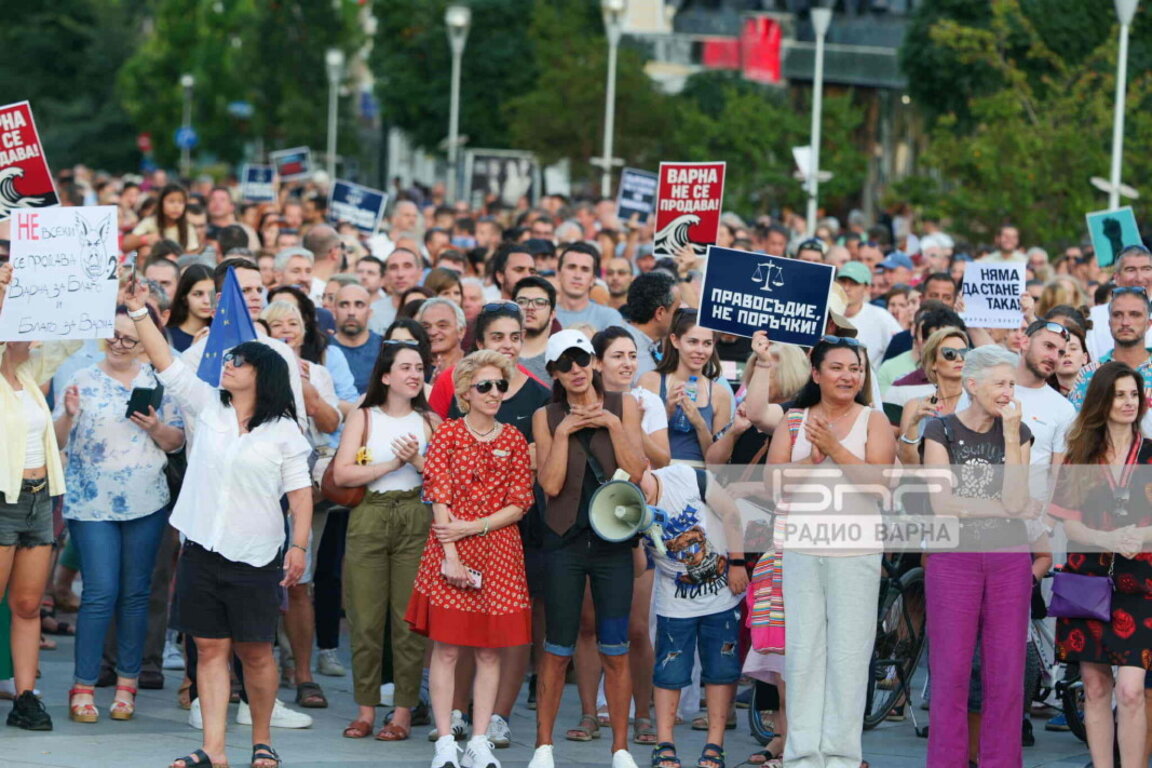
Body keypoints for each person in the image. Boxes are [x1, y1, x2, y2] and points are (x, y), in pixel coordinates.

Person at [124, 282, 314, 768]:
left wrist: (298, 548)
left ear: (263, 375)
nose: (226, 365)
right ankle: (213, 750)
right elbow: (167, 362)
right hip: (202, 548)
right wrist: (139, 312)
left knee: (255, 653)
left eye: (238, 362)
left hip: (256, 554)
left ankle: (262, 741)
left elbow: (300, 493)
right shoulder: (207, 406)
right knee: (208, 648)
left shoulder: (284, 431)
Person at [765, 335, 897, 768]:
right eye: (837, 367)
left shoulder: (873, 420)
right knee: (803, 652)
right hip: (802, 548)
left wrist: (836, 449)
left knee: (849, 655)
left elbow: (879, 484)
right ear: (816, 373)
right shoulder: (794, 420)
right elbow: (772, 485)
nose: (848, 376)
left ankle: (841, 755)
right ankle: (802, 754)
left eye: (855, 368)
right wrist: (813, 458)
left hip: (856, 552)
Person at [53, 305, 185, 724]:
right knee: (99, 592)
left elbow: (177, 441)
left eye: (131, 337)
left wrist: (154, 427)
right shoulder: (80, 379)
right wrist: (68, 416)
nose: (121, 343)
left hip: (146, 500)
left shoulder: (160, 382)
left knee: (135, 594)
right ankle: (84, 685)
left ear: (144, 342)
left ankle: (127, 684)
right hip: (91, 503)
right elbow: (57, 438)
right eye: (114, 334)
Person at [405, 351, 535, 768]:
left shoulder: (514, 438)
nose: (494, 393)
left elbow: (520, 503)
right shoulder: (446, 434)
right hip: (449, 549)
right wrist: (451, 554)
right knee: (445, 650)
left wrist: (472, 527)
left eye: (500, 385)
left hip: (499, 552)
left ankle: (479, 741)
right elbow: (438, 494)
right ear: (465, 392)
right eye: (485, 386)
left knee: (489, 651)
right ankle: (446, 741)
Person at [529, 330, 647, 768]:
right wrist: (564, 434)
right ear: (554, 373)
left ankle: (620, 750)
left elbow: (636, 471)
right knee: (557, 647)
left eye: (582, 360)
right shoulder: (547, 415)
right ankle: (543, 747)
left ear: (595, 362)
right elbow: (551, 485)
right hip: (564, 541)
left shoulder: (624, 405)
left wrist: (612, 425)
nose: (576, 370)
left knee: (614, 647)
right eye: (566, 364)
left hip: (613, 543)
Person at [921, 345, 1033, 768]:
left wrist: (1009, 435)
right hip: (954, 561)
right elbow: (943, 505)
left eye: (1011, 383)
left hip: (1009, 561)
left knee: (1005, 675)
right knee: (950, 672)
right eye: (1000, 383)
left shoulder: (1017, 432)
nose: (1008, 392)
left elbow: (1018, 500)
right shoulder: (940, 429)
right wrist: (1000, 506)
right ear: (972, 384)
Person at [334, 342, 438, 742]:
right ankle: (364, 709)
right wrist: (393, 464)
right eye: (406, 367)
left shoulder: (430, 421)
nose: (414, 374)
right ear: (386, 376)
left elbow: (447, 479)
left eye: (419, 368)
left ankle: (402, 713)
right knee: (364, 617)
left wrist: (415, 461)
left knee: (407, 622)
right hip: (371, 514)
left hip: (416, 515)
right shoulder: (364, 417)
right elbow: (342, 474)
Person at [1050, 362, 1152, 766]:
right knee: (1094, 687)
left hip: (1141, 581)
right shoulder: (1081, 455)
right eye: (1119, 395)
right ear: (1101, 401)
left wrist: (1139, 538)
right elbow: (1068, 525)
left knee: (1130, 689)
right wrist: (1108, 539)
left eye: (1133, 394)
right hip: (1087, 581)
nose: (1128, 402)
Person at [0, 295, 80, 730]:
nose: (28, 332)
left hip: (38, 496)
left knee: (28, 605)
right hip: (2, 497)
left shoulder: (29, 375)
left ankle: (25, 697)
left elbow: (68, 338)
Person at [259, 301, 341, 709]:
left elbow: (330, 424)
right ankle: (265, 669)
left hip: (302, 490)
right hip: (258, 487)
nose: (287, 329)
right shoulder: (253, 368)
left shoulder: (319, 373)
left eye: (293, 323)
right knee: (257, 579)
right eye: (277, 324)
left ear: (305, 331)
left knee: (300, 581)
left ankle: (304, 675)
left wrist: (306, 386)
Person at [640, 463, 748, 768]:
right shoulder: (622, 503)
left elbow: (731, 513)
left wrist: (737, 562)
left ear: (648, 466)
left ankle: (715, 744)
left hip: (722, 594)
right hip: (674, 603)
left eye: (641, 481)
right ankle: (664, 745)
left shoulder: (687, 477)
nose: (640, 490)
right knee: (669, 673)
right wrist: (630, 534)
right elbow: (638, 567)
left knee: (721, 670)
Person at [638, 309, 730, 467]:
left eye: (707, 343)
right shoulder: (650, 381)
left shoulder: (720, 394)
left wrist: (699, 422)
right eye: (693, 342)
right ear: (675, 341)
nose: (700, 350)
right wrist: (666, 412)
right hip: (658, 474)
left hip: (699, 475)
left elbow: (717, 464)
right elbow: (637, 438)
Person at [1070, 286, 1152, 438]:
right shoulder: (1089, 374)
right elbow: (1077, 432)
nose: (1125, 322)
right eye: (1117, 315)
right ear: (1109, 322)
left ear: (1148, 324)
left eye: (1135, 315)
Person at [896, 327, 971, 465]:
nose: (959, 359)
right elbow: (909, 465)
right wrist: (914, 423)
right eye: (950, 354)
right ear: (934, 363)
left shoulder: (977, 404)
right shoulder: (915, 406)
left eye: (964, 353)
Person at [1086, 246, 1152, 360]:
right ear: (1116, 277)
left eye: (1146, 269)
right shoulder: (1093, 317)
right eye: (1131, 270)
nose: (1139, 278)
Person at [834, 262, 901, 368]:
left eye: (854, 283)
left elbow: (900, 350)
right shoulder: (826, 314)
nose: (846, 288)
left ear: (867, 288)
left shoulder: (881, 317)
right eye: (842, 282)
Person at [554, 243, 625, 331]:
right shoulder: (545, 314)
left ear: (593, 279)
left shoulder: (609, 316)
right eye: (571, 267)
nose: (577, 275)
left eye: (585, 269)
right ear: (558, 274)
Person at [622, 271, 680, 379]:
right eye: (676, 311)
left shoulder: (659, 346)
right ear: (660, 313)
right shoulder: (623, 352)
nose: (680, 316)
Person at [331, 283, 383, 394]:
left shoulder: (384, 347)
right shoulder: (321, 349)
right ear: (334, 312)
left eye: (359, 305)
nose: (351, 312)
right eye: (344, 305)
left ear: (369, 313)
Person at [124, 184, 200, 254]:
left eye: (181, 202)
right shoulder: (150, 222)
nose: (176, 206)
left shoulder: (188, 227)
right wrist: (145, 239)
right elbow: (125, 245)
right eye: (171, 201)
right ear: (161, 204)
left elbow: (191, 255)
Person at [513, 275, 559, 386]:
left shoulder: (559, 357)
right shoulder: (497, 354)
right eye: (522, 301)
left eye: (539, 303)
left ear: (552, 314)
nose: (530, 307)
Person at [417, 298, 466, 386]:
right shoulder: (415, 370)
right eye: (426, 327)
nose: (432, 332)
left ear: (461, 331)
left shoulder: (476, 365)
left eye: (442, 326)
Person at [167, 264, 215, 353]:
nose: (207, 301)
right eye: (198, 294)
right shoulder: (167, 335)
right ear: (184, 298)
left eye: (212, 294)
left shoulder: (224, 335)